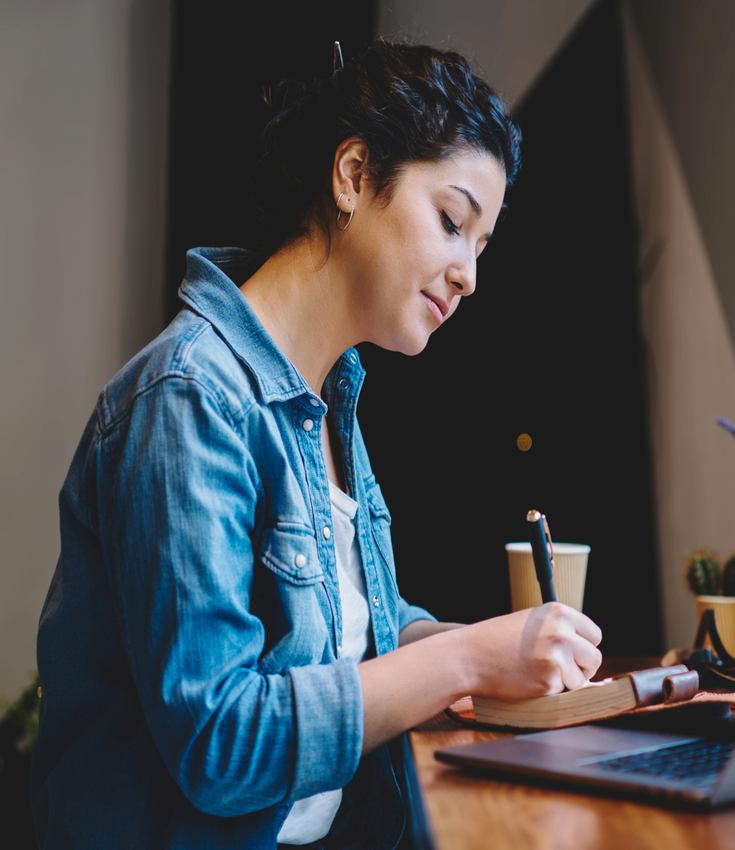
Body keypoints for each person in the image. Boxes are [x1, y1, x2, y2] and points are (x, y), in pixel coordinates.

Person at [30, 40, 604, 849]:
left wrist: (491, 650)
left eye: (481, 247)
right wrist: (467, 662)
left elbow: (352, 622)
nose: (469, 274)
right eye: (451, 222)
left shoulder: (330, 397)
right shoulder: (189, 398)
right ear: (354, 175)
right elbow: (220, 744)